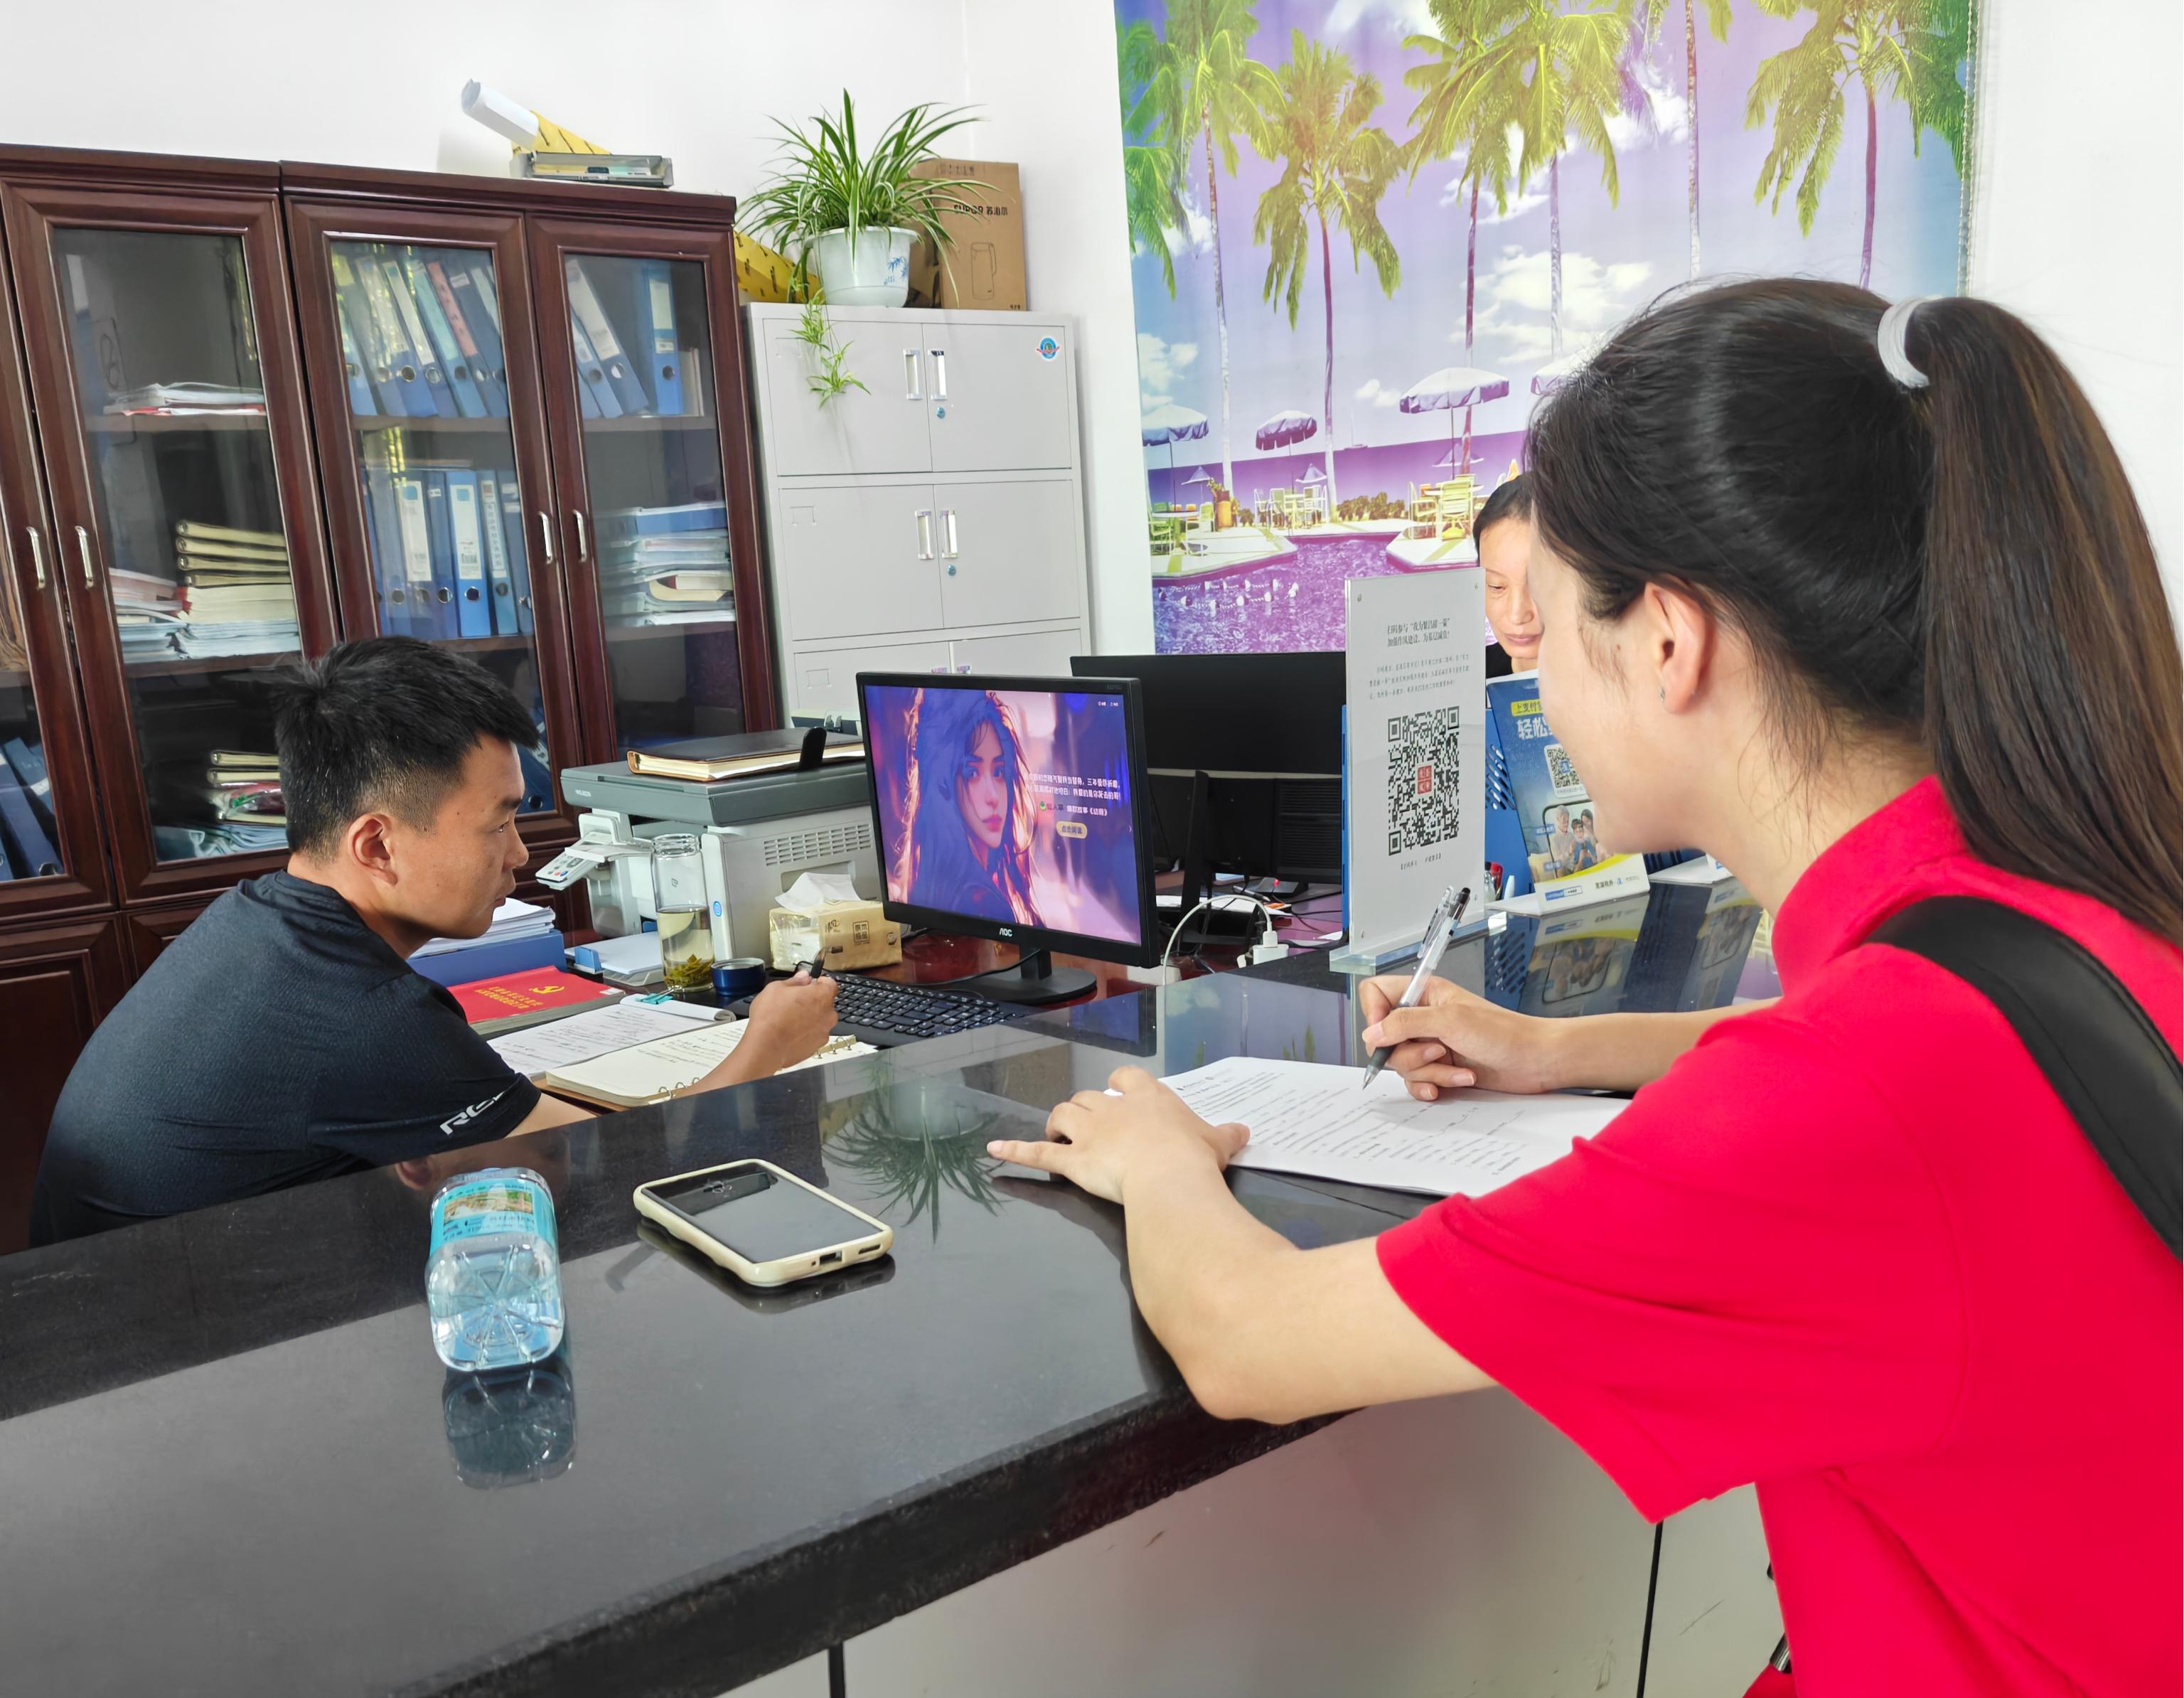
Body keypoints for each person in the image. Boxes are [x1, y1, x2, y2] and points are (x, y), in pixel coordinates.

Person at [990, 282, 2181, 1697]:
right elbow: (1882, 1062)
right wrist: (1558, 1049)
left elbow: (1249, 1343)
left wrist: (1158, 1158)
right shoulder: (2057, 899)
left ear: (1669, 641)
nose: (1533, 680)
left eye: (1545, 629)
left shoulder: (1840, 1103)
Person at [29, 637, 840, 1244]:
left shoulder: (259, 917)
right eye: (499, 823)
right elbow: (624, 1165)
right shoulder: (364, 1016)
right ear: (377, 844)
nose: (520, 854)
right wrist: (768, 1045)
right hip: (181, 1367)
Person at [899, 686, 1042, 926]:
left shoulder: (933, 884)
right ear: (945, 784)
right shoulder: (981, 903)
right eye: (972, 773)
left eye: (998, 772)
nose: (993, 797)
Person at [1477, 473, 1540, 678]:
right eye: (1496, 586)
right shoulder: (1466, 682)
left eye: (1539, 586)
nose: (1517, 615)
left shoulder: (1621, 688)